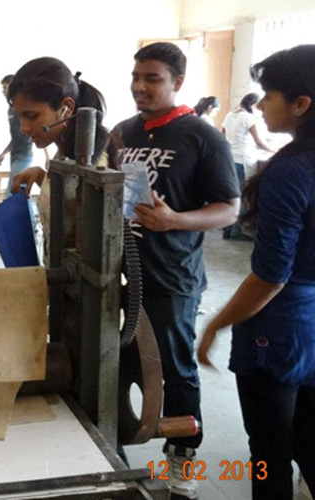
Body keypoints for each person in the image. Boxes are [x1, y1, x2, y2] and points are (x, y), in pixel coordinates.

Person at [113, 42, 239, 499]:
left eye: (152, 79)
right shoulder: (123, 133)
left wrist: (175, 220)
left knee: (176, 369)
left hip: (172, 277)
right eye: (136, 77)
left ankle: (183, 462)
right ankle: (113, 448)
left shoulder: (201, 137)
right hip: (120, 272)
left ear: (177, 82)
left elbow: (229, 209)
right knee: (114, 361)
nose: (140, 87)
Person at [197, 45, 315, 500]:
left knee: (268, 454)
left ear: (301, 104)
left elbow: (271, 275)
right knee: (308, 441)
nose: (260, 105)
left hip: (281, 330)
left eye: (268, 95)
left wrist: (218, 322)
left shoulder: (291, 170)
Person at [7, 57, 117, 258]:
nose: (23, 127)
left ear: (66, 107)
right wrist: (41, 176)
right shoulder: (64, 150)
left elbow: (93, 242)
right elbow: (69, 202)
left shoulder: (94, 162)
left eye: (31, 116)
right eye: (19, 117)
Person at [221, 93, 276, 239]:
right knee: (242, 197)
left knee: (230, 196)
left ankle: (227, 229)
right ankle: (236, 232)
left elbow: (223, 136)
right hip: (242, 160)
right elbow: (259, 141)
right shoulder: (249, 118)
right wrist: (275, 150)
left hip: (230, 159)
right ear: (252, 105)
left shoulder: (230, 115)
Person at [0, 74, 34, 193]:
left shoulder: (24, 109)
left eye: (5, 88)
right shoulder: (11, 110)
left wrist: (47, 156)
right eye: (2, 88)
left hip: (24, 154)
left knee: (13, 192)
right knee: (18, 192)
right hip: (15, 154)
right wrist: (4, 153)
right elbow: (16, 137)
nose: (3, 91)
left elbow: (25, 135)